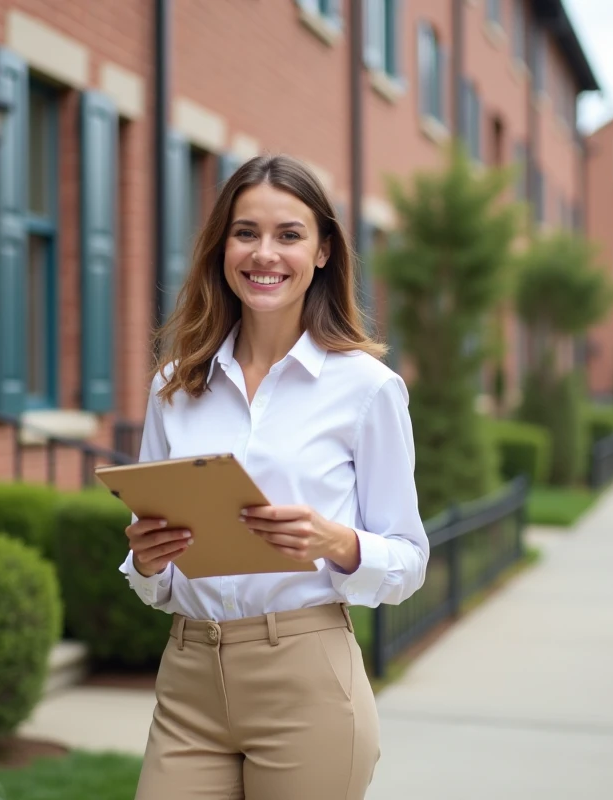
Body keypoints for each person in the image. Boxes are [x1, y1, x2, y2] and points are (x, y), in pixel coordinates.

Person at [119, 154, 429, 799]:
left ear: (322, 252)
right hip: (189, 677)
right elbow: (164, 572)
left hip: (306, 678)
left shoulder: (367, 389)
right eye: (246, 233)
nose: (265, 254)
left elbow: (408, 560)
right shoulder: (175, 386)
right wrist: (148, 562)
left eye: (289, 234)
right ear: (221, 247)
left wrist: (336, 542)